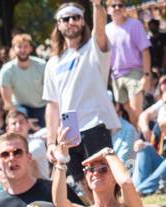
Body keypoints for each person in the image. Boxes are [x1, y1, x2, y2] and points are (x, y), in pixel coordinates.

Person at [44, 2, 119, 182]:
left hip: (95, 125)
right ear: (59, 25)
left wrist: (98, 5)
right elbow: (52, 105)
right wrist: (51, 143)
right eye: (66, 18)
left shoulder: (94, 48)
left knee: (106, 184)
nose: (71, 22)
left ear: (83, 22)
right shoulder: (52, 63)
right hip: (68, 134)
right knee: (84, 185)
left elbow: (100, 28)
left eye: (76, 17)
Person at [107, 1, 154, 125]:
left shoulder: (135, 24)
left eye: (120, 5)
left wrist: (147, 75)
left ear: (125, 8)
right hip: (116, 76)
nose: (117, 8)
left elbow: (145, 50)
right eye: (113, 5)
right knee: (129, 113)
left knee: (136, 110)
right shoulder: (106, 29)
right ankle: (138, 138)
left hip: (135, 72)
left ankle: (144, 140)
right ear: (108, 10)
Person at [0, 33, 48, 125]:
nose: (23, 50)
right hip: (20, 108)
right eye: (19, 47)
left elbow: (52, 91)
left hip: (42, 106)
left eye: (26, 46)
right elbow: (8, 103)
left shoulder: (42, 66)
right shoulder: (6, 70)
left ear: (31, 48)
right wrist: (23, 121)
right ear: (13, 49)